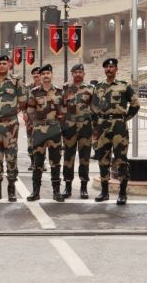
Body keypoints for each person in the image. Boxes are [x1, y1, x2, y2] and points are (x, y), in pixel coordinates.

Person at [92, 58, 140, 204]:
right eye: (106, 67)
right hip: (102, 125)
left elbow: (135, 104)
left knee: (121, 159)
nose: (109, 69)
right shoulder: (98, 87)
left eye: (112, 67)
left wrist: (125, 118)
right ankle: (104, 192)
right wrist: (96, 125)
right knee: (103, 158)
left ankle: (122, 193)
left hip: (119, 125)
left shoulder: (124, 86)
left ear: (116, 69)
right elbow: (93, 107)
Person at [0, 54, 27, 202]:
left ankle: (11, 188)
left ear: (8, 65)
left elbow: (22, 101)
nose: (2, 66)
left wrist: (10, 113)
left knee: (11, 156)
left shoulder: (16, 81)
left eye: (4, 63)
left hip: (11, 125)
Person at [25, 64, 64, 201]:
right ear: (40, 76)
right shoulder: (34, 92)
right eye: (43, 74)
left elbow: (64, 111)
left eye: (48, 73)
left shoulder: (59, 92)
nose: (46, 75)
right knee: (38, 162)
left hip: (54, 129)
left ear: (51, 75)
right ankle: (35, 192)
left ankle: (56, 192)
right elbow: (30, 111)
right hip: (39, 130)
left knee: (55, 161)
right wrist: (35, 124)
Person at [62, 63, 94, 199]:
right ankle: (68, 186)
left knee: (84, 158)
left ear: (84, 74)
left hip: (85, 128)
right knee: (68, 158)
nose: (78, 74)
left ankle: (83, 187)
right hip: (69, 128)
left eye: (81, 72)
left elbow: (95, 108)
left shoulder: (91, 89)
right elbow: (61, 109)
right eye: (76, 72)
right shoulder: (65, 89)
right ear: (72, 74)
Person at [23, 67, 42, 171]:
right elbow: (23, 102)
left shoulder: (45, 88)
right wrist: (24, 113)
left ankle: (41, 163)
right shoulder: (28, 88)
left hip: (43, 120)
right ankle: (32, 162)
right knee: (31, 141)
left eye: (38, 73)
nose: (36, 75)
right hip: (30, 119)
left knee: (42, 141)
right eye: (34, 73)